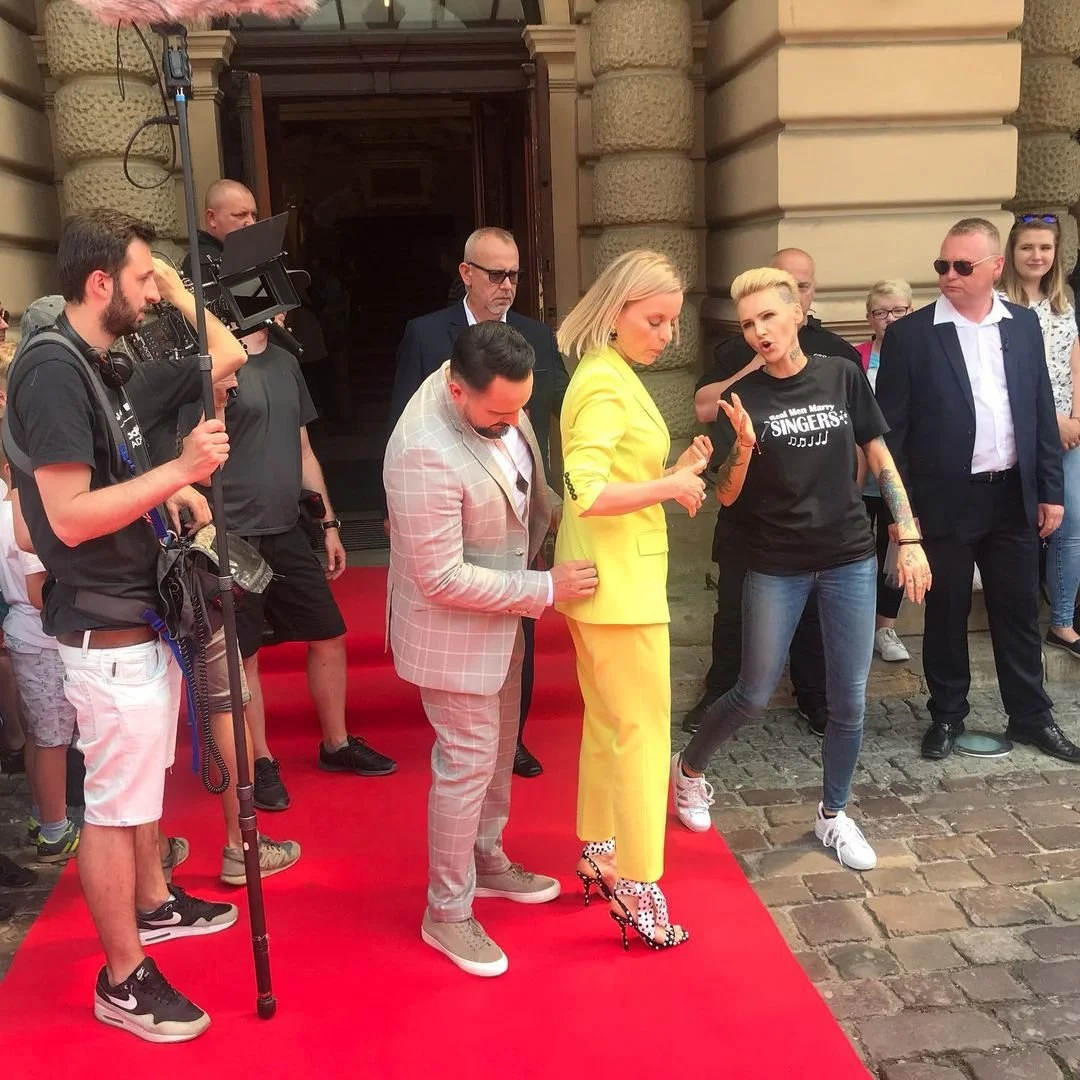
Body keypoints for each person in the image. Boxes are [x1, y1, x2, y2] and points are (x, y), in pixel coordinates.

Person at [6, 209, 239, 1042]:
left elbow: (110, 481)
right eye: (145, 278)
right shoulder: (54, 372)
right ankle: (123, 978)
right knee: (110, 808)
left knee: (136, 796)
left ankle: (152, 911)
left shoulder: (92, 364)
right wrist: (182, 468)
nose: (154, 292)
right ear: (99, 282)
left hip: (135, 615)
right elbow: (65, 518)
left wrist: (165, 489)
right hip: (104, 631)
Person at [672, 266, 931, 874]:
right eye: (747, 323)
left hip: (847, 558)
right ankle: (688, 770)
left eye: (768, 316)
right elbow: (729, 497)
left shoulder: (841, 376)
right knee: (752, 692)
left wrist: (909, 536)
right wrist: (744, 449)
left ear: (797, 315)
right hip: (776, 564)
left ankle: (834, 815)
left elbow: (879, 456)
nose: (759, 331)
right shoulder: (745, 398)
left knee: (850, 698)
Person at [384, 321, 596, 977]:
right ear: (455, 390)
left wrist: (569, 515)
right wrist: (545, 586)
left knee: (499, 751)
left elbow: (526, 480)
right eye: (497, 412)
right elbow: (439, 577)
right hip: (453, 633)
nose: (512, 421)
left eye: (520, 408)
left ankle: (487, 856)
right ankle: (446, 912)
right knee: (467, 764)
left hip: (503, 615)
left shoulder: (502, 393)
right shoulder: (422, 450)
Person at [876, 217, 1080, 763]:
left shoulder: (1021, 325)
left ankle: (1032, 716)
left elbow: (1038, 414)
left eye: (962, 266)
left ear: (994, 267)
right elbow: (890, 436)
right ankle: (947, 715)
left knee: (1017, 612)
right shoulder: (911, 336)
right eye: (942, 265)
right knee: (944, 614)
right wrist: (905, 516)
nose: (948, 275)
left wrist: (1050, 491)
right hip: (945, 500)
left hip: (1012, 494)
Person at [555, 250, 709, 950]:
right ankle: (641, 887)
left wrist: (675, 472)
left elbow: (614, 478)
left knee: (609, 726)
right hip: (620, 587)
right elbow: (588, 489)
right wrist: (670, 487)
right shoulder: (603, 382)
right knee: (642, 736)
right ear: (617, 310)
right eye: (656, 320)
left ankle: (600, 850)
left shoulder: (608, 374)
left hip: (610, 581)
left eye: (672, 322)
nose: (666, 335)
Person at [181, 319, 396, 812]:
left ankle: (336, 744)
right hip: (233, 531)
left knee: (329, 632)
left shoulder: (286, 362)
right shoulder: (215, 365)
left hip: (287, 527)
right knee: (246, 653)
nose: (285, 315)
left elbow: (302, 449)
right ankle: (261, 761)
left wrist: (329, 523)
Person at [390, 226, 570, 779]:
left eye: (515, 274)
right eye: (497, 274)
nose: (508, 285)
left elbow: (555, 413)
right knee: (466, 754)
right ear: (466, 273)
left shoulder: (537, 336)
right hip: (455, 513)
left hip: (517, 513)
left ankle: (511, 738)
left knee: (522, 639)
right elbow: (405, 423)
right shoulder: (426, 336)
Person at [684, 247, 860, 735]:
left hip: (821, 518)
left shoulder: (840, 357)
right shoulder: (737, 352)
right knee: (734, 609)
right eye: (751, 320)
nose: (760, 327)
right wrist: (760, 363)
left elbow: (863, 440)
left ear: (806, 298)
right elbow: (704, 407)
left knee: (814, 618)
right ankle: (719, 692)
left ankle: (814, 697)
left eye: (801, 284)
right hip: (749, 515)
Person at [999, 215, 1080, 658]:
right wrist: (1053, 422)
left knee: (1071, 525)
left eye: (1045, 248)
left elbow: (1074, 360)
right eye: (1028, 247)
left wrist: (1077, 420)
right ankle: (1016, 618)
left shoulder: (1063, 302)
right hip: (1025, 431)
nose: (1037, 256)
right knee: (1023, 527)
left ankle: (1062, 621)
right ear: (1012, 254)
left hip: (1069, 433)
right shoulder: (999, 302)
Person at [856, 280, 914, 662]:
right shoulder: (856, 357)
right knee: (858, 551)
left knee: (895, 550)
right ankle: (856, 627)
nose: (889, 319)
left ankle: (885, 629)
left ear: (911, 311)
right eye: (881, 312)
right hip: (860, 474)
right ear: (869, 317)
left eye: (898, 311)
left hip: (901, 471)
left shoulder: (921, 355)